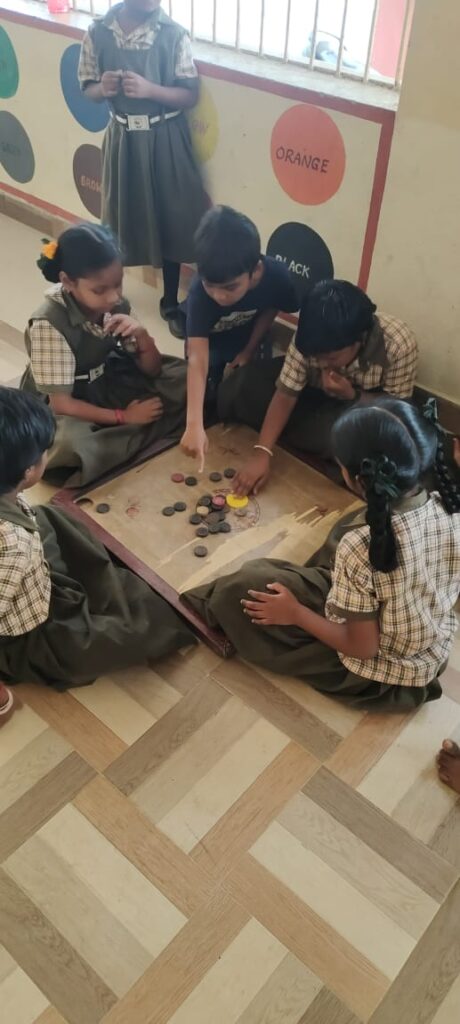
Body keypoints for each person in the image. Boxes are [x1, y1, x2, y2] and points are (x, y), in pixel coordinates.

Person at [184, 400, 460, 711]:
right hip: (430, 652)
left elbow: (363, 648)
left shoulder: (359, 547)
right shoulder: (449, 506)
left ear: (358, 479)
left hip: (381, 673)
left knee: (242, 589)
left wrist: (295, 613)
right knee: (345, 530)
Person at [0, 386, 194, 724]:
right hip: (28, 635)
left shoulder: (10, 506)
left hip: (30, 580)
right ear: (28, 471)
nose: (47, 456)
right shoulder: (12, 545)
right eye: (45, 453)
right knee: (137, 630)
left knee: (51, 518)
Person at [21, 224, 187, 487]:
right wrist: (124, 417)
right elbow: (61, 405)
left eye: (118, 283)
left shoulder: (116, 303)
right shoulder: (48, 323)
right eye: (99, 290)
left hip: (106, 377)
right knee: (70, 443)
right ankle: (122, 436)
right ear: (67, 281)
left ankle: (120, 441)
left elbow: (153, 370)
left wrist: (142, 336)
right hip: (67, 401)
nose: (113, 297)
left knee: (185, 379)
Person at [79, 0, 207, 339]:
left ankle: (170, 301)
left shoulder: (174, 35)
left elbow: (189, 95)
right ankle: (112, 296)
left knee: (172, 217)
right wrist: (102, 88)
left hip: (165, 136)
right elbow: (88, 87)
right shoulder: (97, 32)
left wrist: (151, 90)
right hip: (123, 139)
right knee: (119, 217)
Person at [220, 279, 418, 496]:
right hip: (310, 396)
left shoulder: (398, 344)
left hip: (359, 409)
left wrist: (352, 395)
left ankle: (310, 443)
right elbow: (285, 394)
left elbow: (396, 414)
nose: (322, 363)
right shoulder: (309, 336)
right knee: (243, 383)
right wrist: (262, 452)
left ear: (359, 340)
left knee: (344, 439)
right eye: (316, 356)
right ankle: (298, 438)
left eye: (331, 357)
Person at [180, 206, 299, 470]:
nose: (219, 296)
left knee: (246, 389)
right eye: (211, 285)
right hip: (208, 340)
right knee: (205, 393)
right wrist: (193, 424)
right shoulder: (200, 293)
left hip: (247, 335)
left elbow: (273, 306)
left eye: (230, 287)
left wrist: (248, 349)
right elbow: (197, 358)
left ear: (255, 270)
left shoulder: (277, 276)